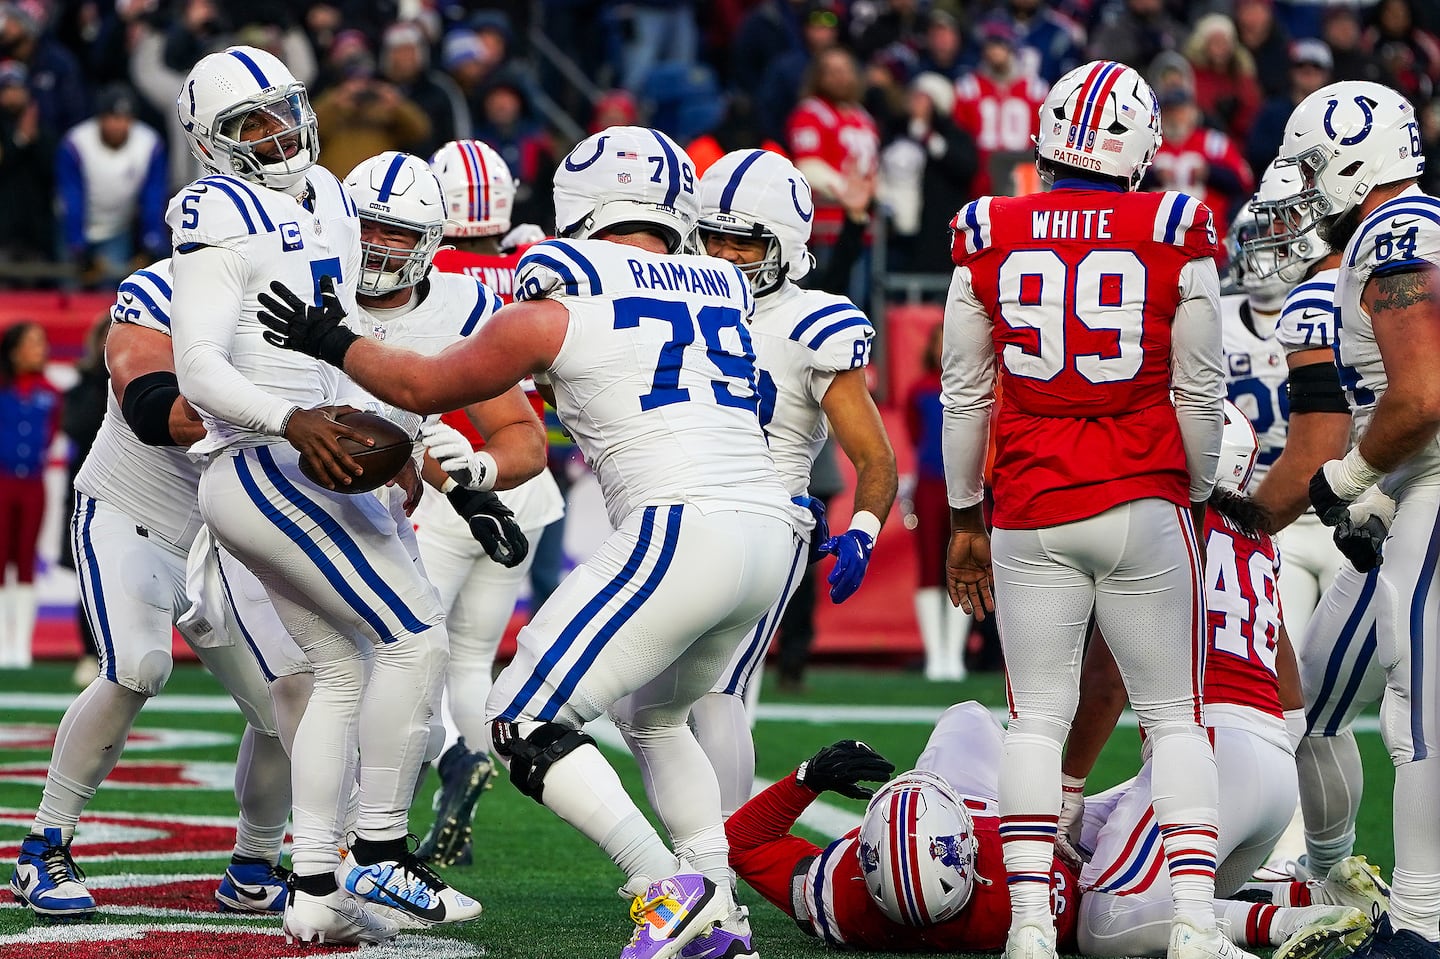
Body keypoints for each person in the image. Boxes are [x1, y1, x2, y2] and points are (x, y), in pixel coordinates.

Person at [257, 124, 796, 959]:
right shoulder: (721, 282)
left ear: (578, 202)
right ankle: (719, 907)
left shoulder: (567, 280)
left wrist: (329, 338)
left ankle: (665, 887)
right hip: (770, 528)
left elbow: (429, 383)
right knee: (659, 716)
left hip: (682, 522)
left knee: (521, 714)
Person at [166, 45, 494, 944]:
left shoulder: (330, 201)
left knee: (340, 672)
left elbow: (337, 345)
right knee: (416, 634)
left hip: (309, 455)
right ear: (212, 144)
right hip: (261, 462)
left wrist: (395, 434)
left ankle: (315, 883)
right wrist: (292, 421)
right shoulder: (213, 212)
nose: (276, 136)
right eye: (249, 125)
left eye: (282, 112)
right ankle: (381, 853)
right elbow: (196, 368)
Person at [942, 59, 1233, 959]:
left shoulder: (989, 226)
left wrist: (963, 516)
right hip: (1140, 484)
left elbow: (964, 389)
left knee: (1034, 715)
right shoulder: (1177, 224)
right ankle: (1192, 916)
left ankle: (1030, 924)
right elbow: (1200, 383)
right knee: (1175, 714)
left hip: (1031, 499)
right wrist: (1190, 484)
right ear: (1142, 145)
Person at [6, 261, 304, 921]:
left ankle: (254, 866)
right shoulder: (163, 288)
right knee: (138, 664)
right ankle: (43, 845)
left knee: (290, 696)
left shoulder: (306, 295)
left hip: (230, 539)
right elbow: (154, 408)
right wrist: (288, 414)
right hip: (131, 512)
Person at [1072, 403, 1380, 959]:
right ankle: (1308, 892)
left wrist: (1065, 787)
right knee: (1078, 852)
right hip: (1263, 763)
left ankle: (1276, 925)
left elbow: (1106, 681)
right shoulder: (1255, 540)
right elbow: (1286, 677)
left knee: (1103, 918)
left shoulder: (1153, 527)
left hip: (1210, 753)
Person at [339, 148, 556, 871]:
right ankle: (466, 753)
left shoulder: (440, 284)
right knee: (466, 656)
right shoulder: (535, 269)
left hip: (441, 471)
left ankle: (389, 808)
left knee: (397, 658)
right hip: (521, 478)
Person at [677, 148, 897, 818]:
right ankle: (697, 854)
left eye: (740, 242)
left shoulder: (814, 321)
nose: (718, 254)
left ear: (785, 247)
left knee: (717, 690)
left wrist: (863, 530)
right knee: (647, 701)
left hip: (766, 521)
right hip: (681, 513)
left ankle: (718, 860)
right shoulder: (674, 303)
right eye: (710, 236)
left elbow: (876, 456)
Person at [1288, 79, 1440, 959]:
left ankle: (1419, 919)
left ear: (1356, 158)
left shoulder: (1396, 230)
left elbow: (1419, 396)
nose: (1310, 186)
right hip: (1416, 484)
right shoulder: (1406, 227)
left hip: (1431, 480)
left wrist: (1351, 475)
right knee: (1343, 697)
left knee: (1420, 710)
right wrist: (1382, 493)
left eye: (1316, 166)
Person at [1244, 152, 1391, 887]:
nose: (1279, 231)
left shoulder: (1318, 299)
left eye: (1291, 211)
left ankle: (1338, 875)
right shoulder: (1406, 267)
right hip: (1377, 503)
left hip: (1352, 508)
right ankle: (1332, 871)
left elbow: (1316, 449)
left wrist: (1242, 521)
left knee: (1318, 706)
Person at [727, 702, 1083, 951]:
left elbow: (740, 842)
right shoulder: (1020, 888)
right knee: (967, 714)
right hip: (1004, 827)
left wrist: (806, 779)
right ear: (967, 849)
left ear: (865, 864)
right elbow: (1076, 872)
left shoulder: (840, 899)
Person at [1225, 167, 1342, 641]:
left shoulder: (1329, 305)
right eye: (1253, 236)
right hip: (1272, 512)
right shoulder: (1214, 320)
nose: (1259, 249)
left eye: (1273, 232)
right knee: (1278, 658)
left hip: (1342, 507)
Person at [56, 84, 168, 286]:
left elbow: (153, 198)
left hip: (117, 229)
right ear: (100, 118)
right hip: (73, 227)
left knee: (111, 297)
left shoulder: (149, 143)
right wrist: (78, 247)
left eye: (125, 119)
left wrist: (151, 243)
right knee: (69, 293)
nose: (119, 125)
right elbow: (71, 198)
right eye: (113, 118)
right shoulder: (76, 142)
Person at [907, 322, 969, 680]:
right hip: (931, 484)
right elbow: (918, 437)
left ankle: (955, 656)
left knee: (964, 564)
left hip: (967, 485)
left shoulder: (975, 386)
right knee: (930, 566)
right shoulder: (920, 389)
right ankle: (936, 655)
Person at [0, 321, 58, 669]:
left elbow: (50, 435)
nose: (42, 349)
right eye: (34, 342)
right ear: (14, 350)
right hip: (2, 482)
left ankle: (21, 645)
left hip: (33, 483)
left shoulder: (50, 392)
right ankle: (3, 643)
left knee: (25, 561)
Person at [951, 19, 1049, 198]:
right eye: (990, 45)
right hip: (983, 177)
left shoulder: (1035, 89)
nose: (994, 51)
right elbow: (960, 136)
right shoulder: (969, 88)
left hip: (1024, 176)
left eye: (1000, 44)